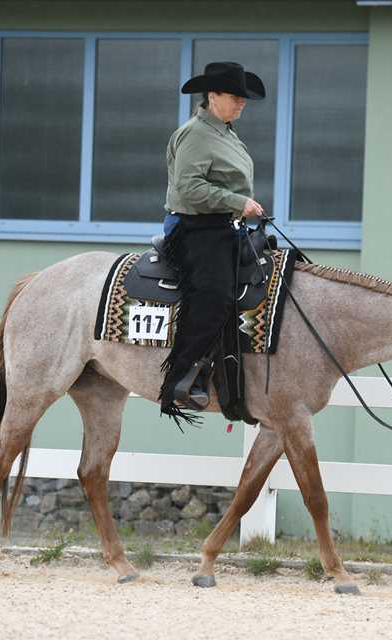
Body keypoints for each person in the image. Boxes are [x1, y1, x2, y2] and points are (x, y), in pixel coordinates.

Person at [158, 62, 266, 424]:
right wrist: (238, 202)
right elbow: (188, 188)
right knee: (214, 294)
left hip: (222, 226)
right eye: (235, 96)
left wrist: (237, 208)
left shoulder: (225, 132)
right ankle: (181, 381)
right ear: (213, 95)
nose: (242, 103)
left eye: (243, 98)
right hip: (193, 228)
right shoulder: (195, 134)